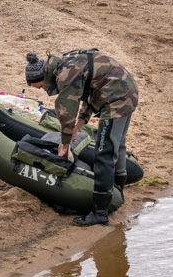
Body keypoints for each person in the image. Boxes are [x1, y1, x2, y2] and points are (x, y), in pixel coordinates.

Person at [25, 49, 138, 226]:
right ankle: (118, 191)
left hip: (116, 98)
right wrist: (78, 126)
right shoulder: (68, 63)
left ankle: (100, 212)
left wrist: (65, 144)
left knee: (104, 151)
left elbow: (66, 111)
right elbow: (90, 92)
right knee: (119, 144)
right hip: (125, 91)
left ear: (42, 76)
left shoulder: (65, 73)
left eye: (39, 86)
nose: (42, 90)